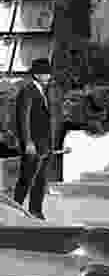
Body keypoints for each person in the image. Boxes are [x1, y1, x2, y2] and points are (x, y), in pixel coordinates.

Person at [13, 58, 53, 219]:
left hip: (44, 145)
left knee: (41, 181)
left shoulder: (43, 92)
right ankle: (16, 209)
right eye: (46, 73)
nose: (49, 76)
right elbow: (23, 119)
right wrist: (28, 142)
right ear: (37, 74)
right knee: (26, 179)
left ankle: (36, 211)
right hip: (33, 145)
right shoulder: (28, 91)